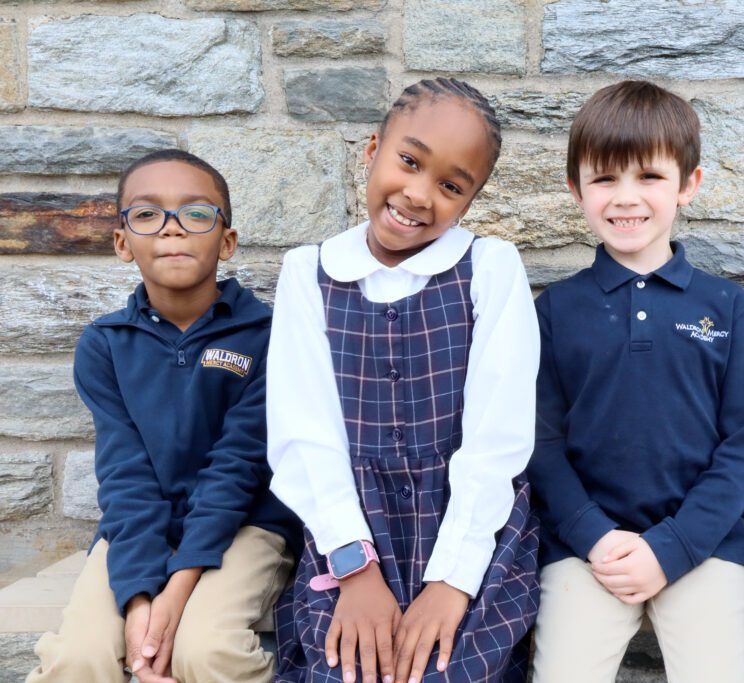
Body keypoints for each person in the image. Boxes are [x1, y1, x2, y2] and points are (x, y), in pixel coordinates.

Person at [267, 77, 540, 683]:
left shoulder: (490, 269)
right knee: (350, 668)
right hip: (351, 527)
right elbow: (304, 437)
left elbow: (498, 441)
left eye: (450, 185)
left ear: (470, 201)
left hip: (470, 527)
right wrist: (355, 573)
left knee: (444, 670)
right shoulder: (307, 274)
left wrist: (451, 581)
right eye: (408, 161)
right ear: (373, 149)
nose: (418, 194)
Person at [28, 149, 301, 683]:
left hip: (248, 526)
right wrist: (137, 603)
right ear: (122, 243)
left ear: (227, 240)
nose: (173, 229)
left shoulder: (270, 336)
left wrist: (175, 595)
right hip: (138, 529)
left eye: (197, 213)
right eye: (148, 214)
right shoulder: (105, 344)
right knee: (77, 658)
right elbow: (125, 473)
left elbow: (238, 469)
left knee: (207, 651)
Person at [527, 80, 744, 683]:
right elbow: (541, 442)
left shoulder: (728, 306)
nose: (625, 197)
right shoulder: (556, 309)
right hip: (587, 549)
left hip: (703, 545)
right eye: (604, 179)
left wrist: (674, 547)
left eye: (649, 178)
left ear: (689, 185)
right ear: (575, 189)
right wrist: (593, 536)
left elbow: (741, 446)